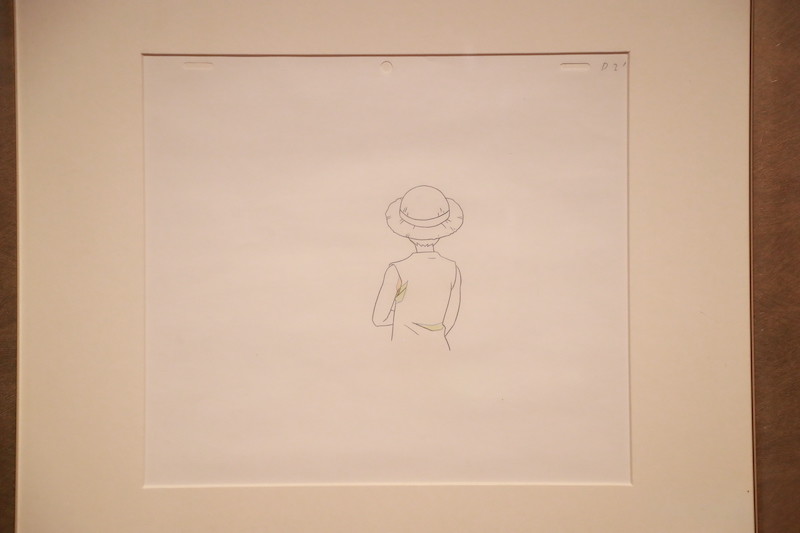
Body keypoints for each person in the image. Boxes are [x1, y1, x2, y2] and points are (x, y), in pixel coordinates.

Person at [372, 185, 463, 350]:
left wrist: (407, 318)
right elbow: (450, 319)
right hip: (440, 348)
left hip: (403, 349)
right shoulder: (453, 269)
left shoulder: (397, 270)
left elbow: (379, 319)